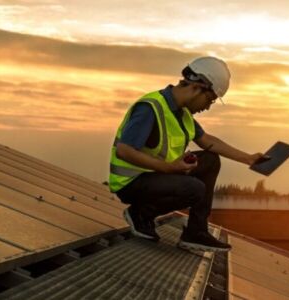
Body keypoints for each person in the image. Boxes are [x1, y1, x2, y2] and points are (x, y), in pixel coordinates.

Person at [108, 56, 267, 252]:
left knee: (209, 160)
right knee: (195, 188)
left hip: (157, 177)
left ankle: (196, 232)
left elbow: (209, 142)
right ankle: (141, 214)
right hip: (132, 183)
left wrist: (248, 158)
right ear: (197, 88)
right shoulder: (151, 107)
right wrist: (169, 167)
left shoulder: (182, 114)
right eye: (209, 99)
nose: (208, 106)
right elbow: (124, 151)